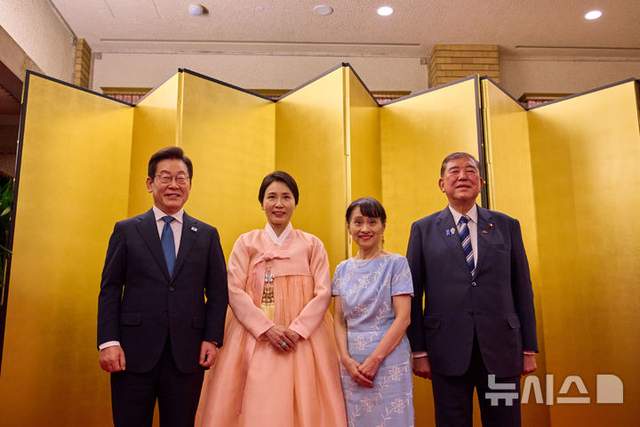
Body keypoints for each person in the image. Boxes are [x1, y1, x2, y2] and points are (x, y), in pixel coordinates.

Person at [197, 171, 346, 427]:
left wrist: (297, 330)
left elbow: (323, 293)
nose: (279, 204)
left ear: (295, 202)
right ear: (262, 202)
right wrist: (266, 328)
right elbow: (233, 290)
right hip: (253, 335)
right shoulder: (246, 243)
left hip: (303, 339)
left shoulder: (312, 245)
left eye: (286, 197)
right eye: (272, 197)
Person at [97, 146, 228, 427]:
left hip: (187, 354)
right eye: (165, 177)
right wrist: (109, 342)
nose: (174, 185)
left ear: (190, 184)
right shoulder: (127, 230)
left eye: (181, 178)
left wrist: (212, 338)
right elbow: (110, 289)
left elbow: (218, 293)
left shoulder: (207, 235)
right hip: (132, 352)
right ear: (150, 183)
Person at [406, 152, 538, 427]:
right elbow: (413, 293)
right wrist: (418, 351)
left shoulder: (507, 226)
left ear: (481, 182)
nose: (462, 176)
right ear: (442, 184)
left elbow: (522, 288)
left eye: (470, 171)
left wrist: (528, 348)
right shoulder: (423, 229)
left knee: (505, 421)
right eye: (454, 171)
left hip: (502, 349)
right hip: (446, 349)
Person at [332, 197, 414, 427]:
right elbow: (338, 320)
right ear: (349, 227)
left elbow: (403, 318)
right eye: (358, 222)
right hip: (352, 363)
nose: (365, 228)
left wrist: (375, 360)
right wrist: (345, 359)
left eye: (372, 222)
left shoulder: (397, 264)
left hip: (389, 359)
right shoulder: (341, 269)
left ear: (383, 226)